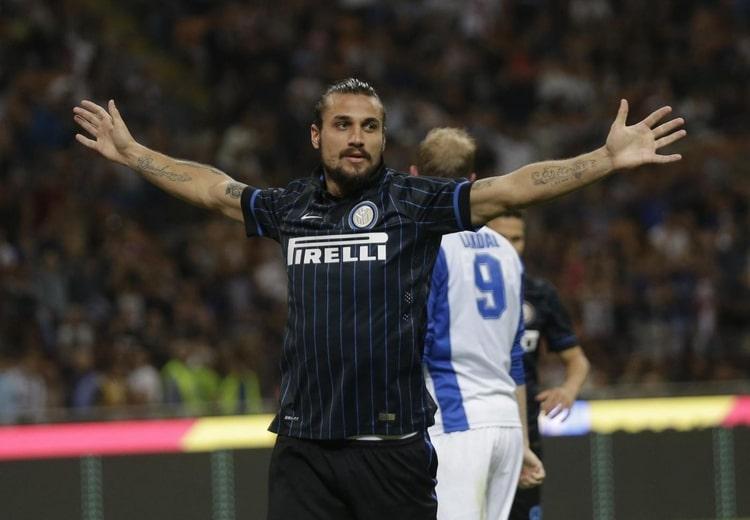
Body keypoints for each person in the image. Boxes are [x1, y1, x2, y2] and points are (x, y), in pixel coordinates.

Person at [73, 78, 685, 519]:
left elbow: (510, 189)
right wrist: (134, 154)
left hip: (392, 451)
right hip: (305, 447)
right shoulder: (293, 207)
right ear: (316, 135)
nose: (357, 138)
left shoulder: (411, 204)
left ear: (385, 138)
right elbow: (214, 189)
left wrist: (604, 160)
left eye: (370, 127)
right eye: (343, 125)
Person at [412, 127, 545, 520]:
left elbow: (420, 341)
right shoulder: (505, 249)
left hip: (456, 421)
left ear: (414, 176)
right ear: (473, 180)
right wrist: (522, 440)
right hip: (506, 425)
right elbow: (515, 356)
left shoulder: (429, 244)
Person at [492, 210, 591, 520]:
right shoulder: (457, 289)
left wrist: (568, 390)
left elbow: (577, 361)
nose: (510, 247)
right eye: (501, 238)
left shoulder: (540, 295)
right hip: (476, 422)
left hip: (526, 429)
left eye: (517, 239)